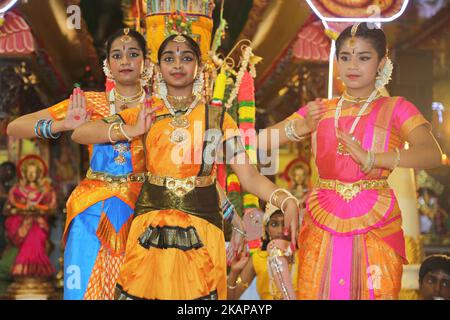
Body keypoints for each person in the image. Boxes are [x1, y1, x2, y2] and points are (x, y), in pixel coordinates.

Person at [72, 33, 300, 300]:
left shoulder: (218, 120)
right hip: (150, 230)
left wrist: (285, 199)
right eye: (169, 58)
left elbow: (248, 176)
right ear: (157, 69)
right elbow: (81, 133)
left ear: (199, 68)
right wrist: (130, 129)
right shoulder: (146, 112)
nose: (177, 64)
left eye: (186, 58)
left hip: (202, 230)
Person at [258, 23, 443, 300]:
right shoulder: (321, 109)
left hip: (376, 221)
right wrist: (300, 126)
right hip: (322, 221)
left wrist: (372, 158)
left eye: (363, 57)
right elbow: (259, 141)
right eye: (345, 57)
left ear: (381, 63)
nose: (352, 65)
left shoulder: (396, 107)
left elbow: (431, 153)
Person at [6, 28, 153, 299]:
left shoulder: (158, 108)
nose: (125, 61)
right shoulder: (90, 103)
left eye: (133, 54)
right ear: (107, 65)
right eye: (117, 55)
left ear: (147, 63)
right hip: (91, 212)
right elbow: (15, 127)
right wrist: (62, 124)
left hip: (143, 214)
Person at [228, 204, 299, 300]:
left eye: (285, 223)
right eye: (274, 224)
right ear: (266, 229)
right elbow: (232, 298)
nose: (281, 230)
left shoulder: (304, 254)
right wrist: (234, 272)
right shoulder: (258, 258)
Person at [3, 155, 56, 278]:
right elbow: (8, 208)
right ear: (24, 173)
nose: (31, 175)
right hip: (23, 224)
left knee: (38, 245)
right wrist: (22, 210)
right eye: (29, 172)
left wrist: (39, 210)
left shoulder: (44, 191)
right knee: (25, 248)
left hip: (39, 224)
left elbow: (51, 208)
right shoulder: (17, 190)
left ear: (39, 173)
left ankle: (39, 274)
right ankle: (22, 273)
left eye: (34, 172)